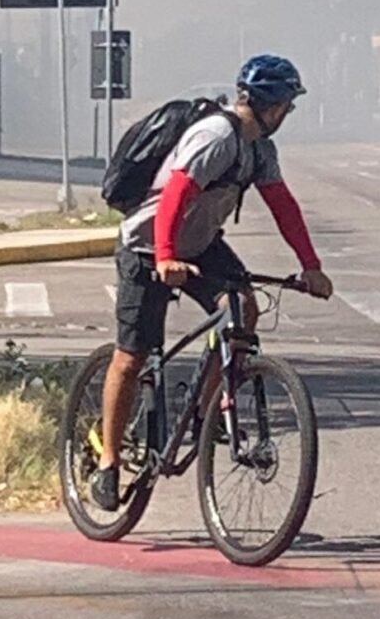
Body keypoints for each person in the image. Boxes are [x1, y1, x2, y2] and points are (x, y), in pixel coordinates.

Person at [92, 54, 334, 511]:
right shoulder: (216, 137)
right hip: (148, 245)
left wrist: (311, 265)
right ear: (269, 104)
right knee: (132, 355)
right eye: (286, 105)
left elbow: (283, 205)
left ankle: (205, 415)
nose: (287, 114)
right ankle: (108, 460)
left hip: (200, 245)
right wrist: (164, 258)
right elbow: (175, 197)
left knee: (243, 306)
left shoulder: (260, 148)